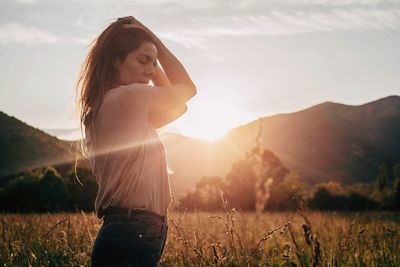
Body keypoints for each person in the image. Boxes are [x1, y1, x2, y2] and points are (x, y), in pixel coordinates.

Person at [75, 16, 196, 266]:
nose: (151, 70)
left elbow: (177, 108)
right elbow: (187, 89)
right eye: (142, 60)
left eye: (153, 64)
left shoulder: (118, 107)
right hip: (131, 231)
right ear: (115, 60)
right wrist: (153, 40)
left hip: (133, 229)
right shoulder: (125, 98)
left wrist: (150, 53)